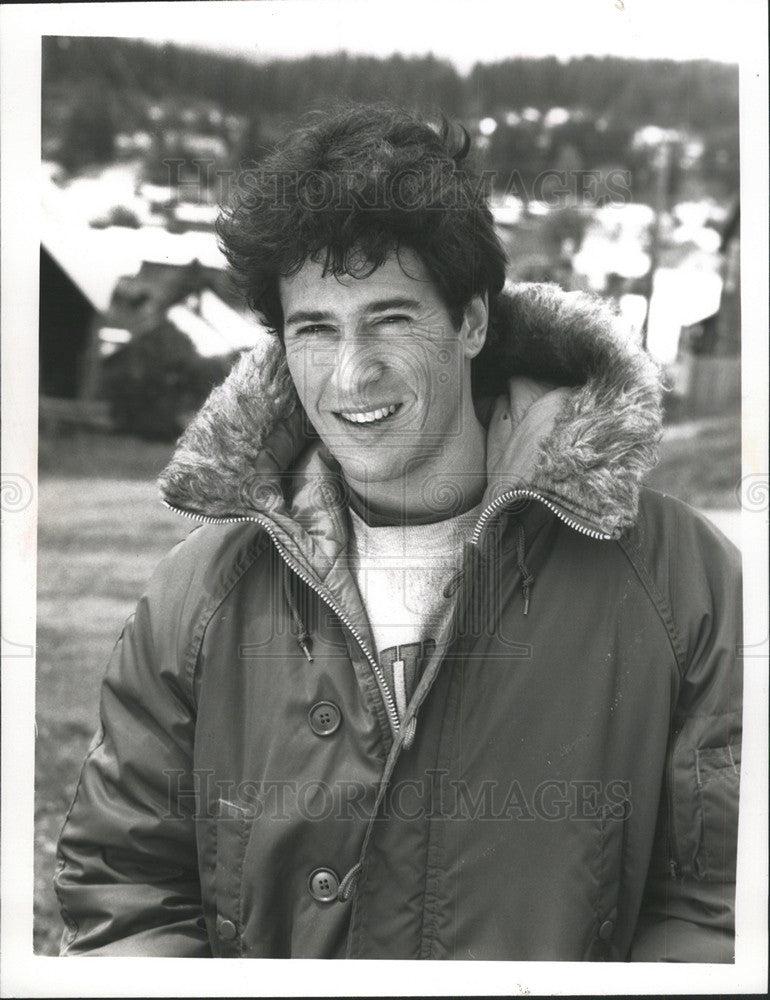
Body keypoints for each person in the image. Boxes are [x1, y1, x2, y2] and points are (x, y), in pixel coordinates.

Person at [55, 103, 742, 961]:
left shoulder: (682, 584)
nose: (352, 373)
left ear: (472, 323)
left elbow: (724, 908)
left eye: (390, 318)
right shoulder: (196, 595)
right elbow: (127, 894)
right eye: (315, 328)